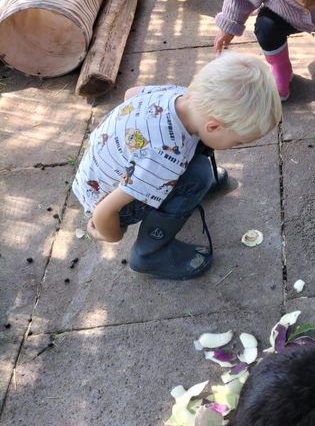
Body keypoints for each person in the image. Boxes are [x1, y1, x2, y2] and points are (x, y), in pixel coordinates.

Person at [72, 54, 281, 280]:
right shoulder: (161, 158)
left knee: (194, 147)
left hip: (105, 173)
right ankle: (150, 254)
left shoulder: (180, 95)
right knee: (199, 176)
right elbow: (105, 209)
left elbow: (130, 95)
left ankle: (175, 191)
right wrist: (110, 234)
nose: (236, 146)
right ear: (213, 126)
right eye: (238, 141)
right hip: (113, 202)